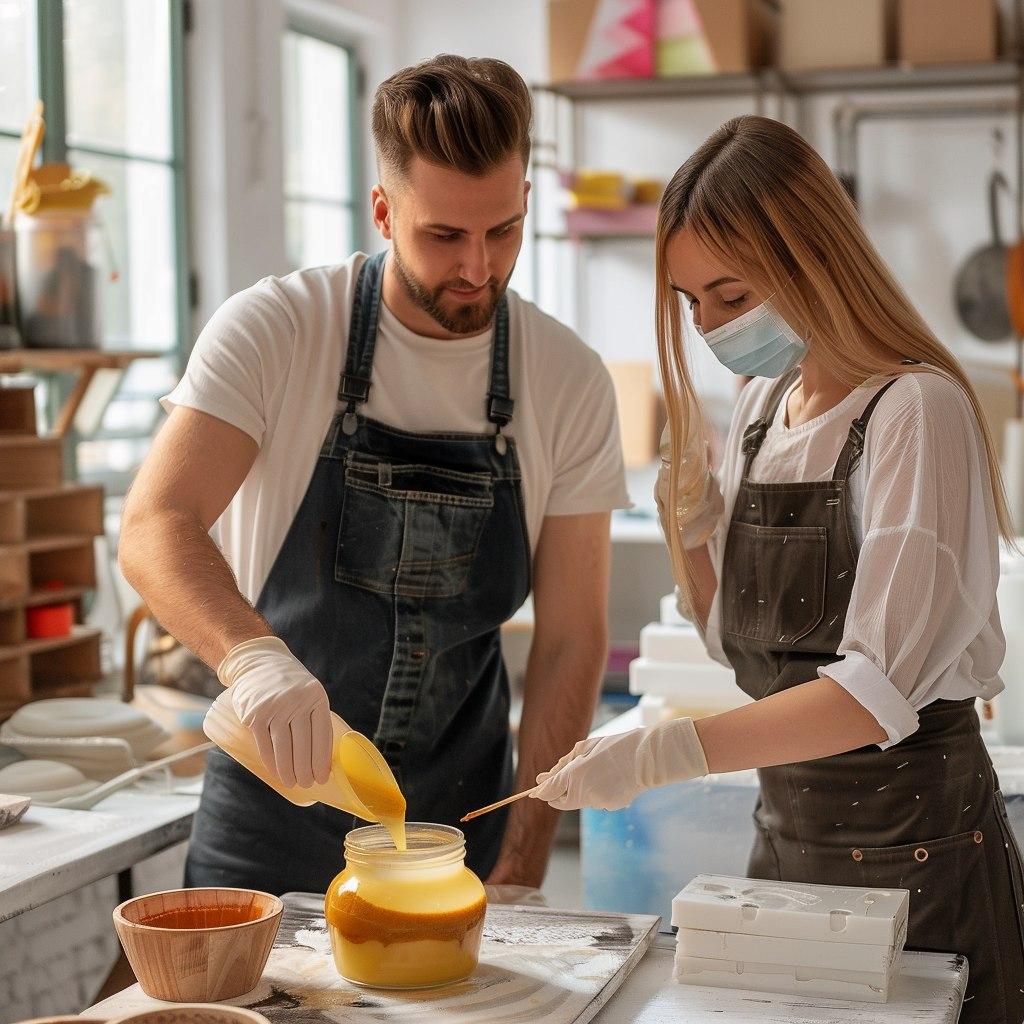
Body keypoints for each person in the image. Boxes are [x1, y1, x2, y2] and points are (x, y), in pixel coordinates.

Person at [531, 116, 1024, 1023]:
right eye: (691, 303)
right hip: (786, 851)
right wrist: (689, 528)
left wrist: (662, 755)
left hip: (922, 855)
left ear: (815, 258)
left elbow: (869, 695)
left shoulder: (917, 410)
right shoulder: (763, 407)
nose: (712, 328)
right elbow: (749, 657)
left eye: (731, 293)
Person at [119, 55, 628, 894]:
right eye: (444, 235)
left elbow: (573, 636)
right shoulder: (278, 330)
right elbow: (153, 525)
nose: (477, 268)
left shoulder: (566, 378)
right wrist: (253, 660)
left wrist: (526, 852)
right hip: (268, 825)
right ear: (384, 213)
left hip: (457, 830)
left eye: (502, 230)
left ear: (528, 200)